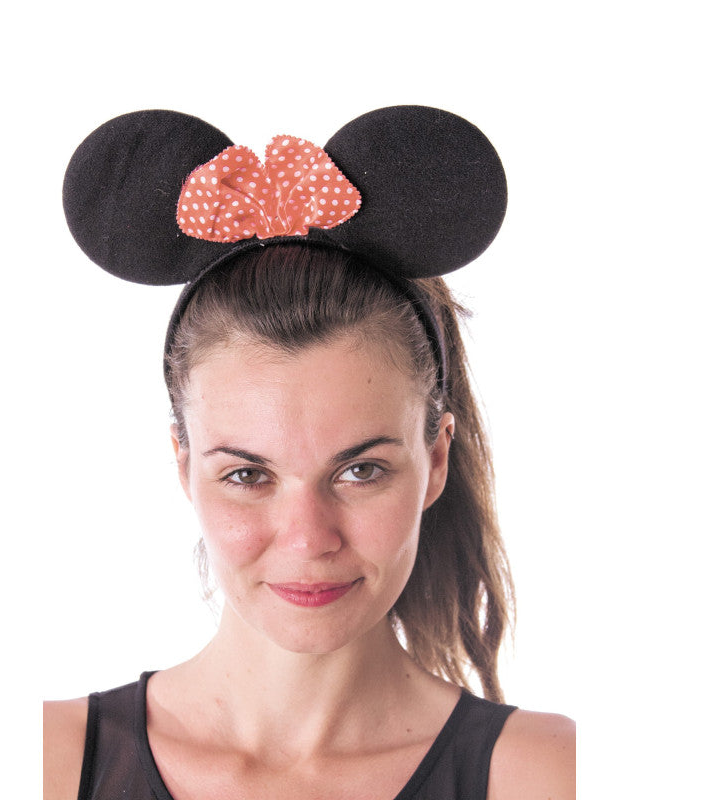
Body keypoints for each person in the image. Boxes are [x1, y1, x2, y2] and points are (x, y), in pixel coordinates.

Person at [45, 107, 575, 800]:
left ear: (436, 460)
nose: (307, 539)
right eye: (247, 474)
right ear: (184, 465)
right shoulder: (43, 764)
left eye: (361, 471)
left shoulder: (550, 775)